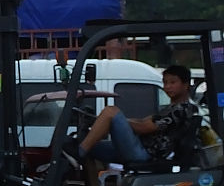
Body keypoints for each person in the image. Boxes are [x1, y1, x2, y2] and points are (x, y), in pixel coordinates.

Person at [65, 64, 199, 166]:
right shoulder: (171, 108)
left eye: (172, 82)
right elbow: (142, 121)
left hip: (145, 154)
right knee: (91, 146)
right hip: (141, 148)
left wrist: (113, 119)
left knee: (110, 111)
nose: (167, 87)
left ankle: (79, 153)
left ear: (185, 84)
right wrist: (100, 121)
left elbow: (144, 127)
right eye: (165, 82)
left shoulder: (181, 109)